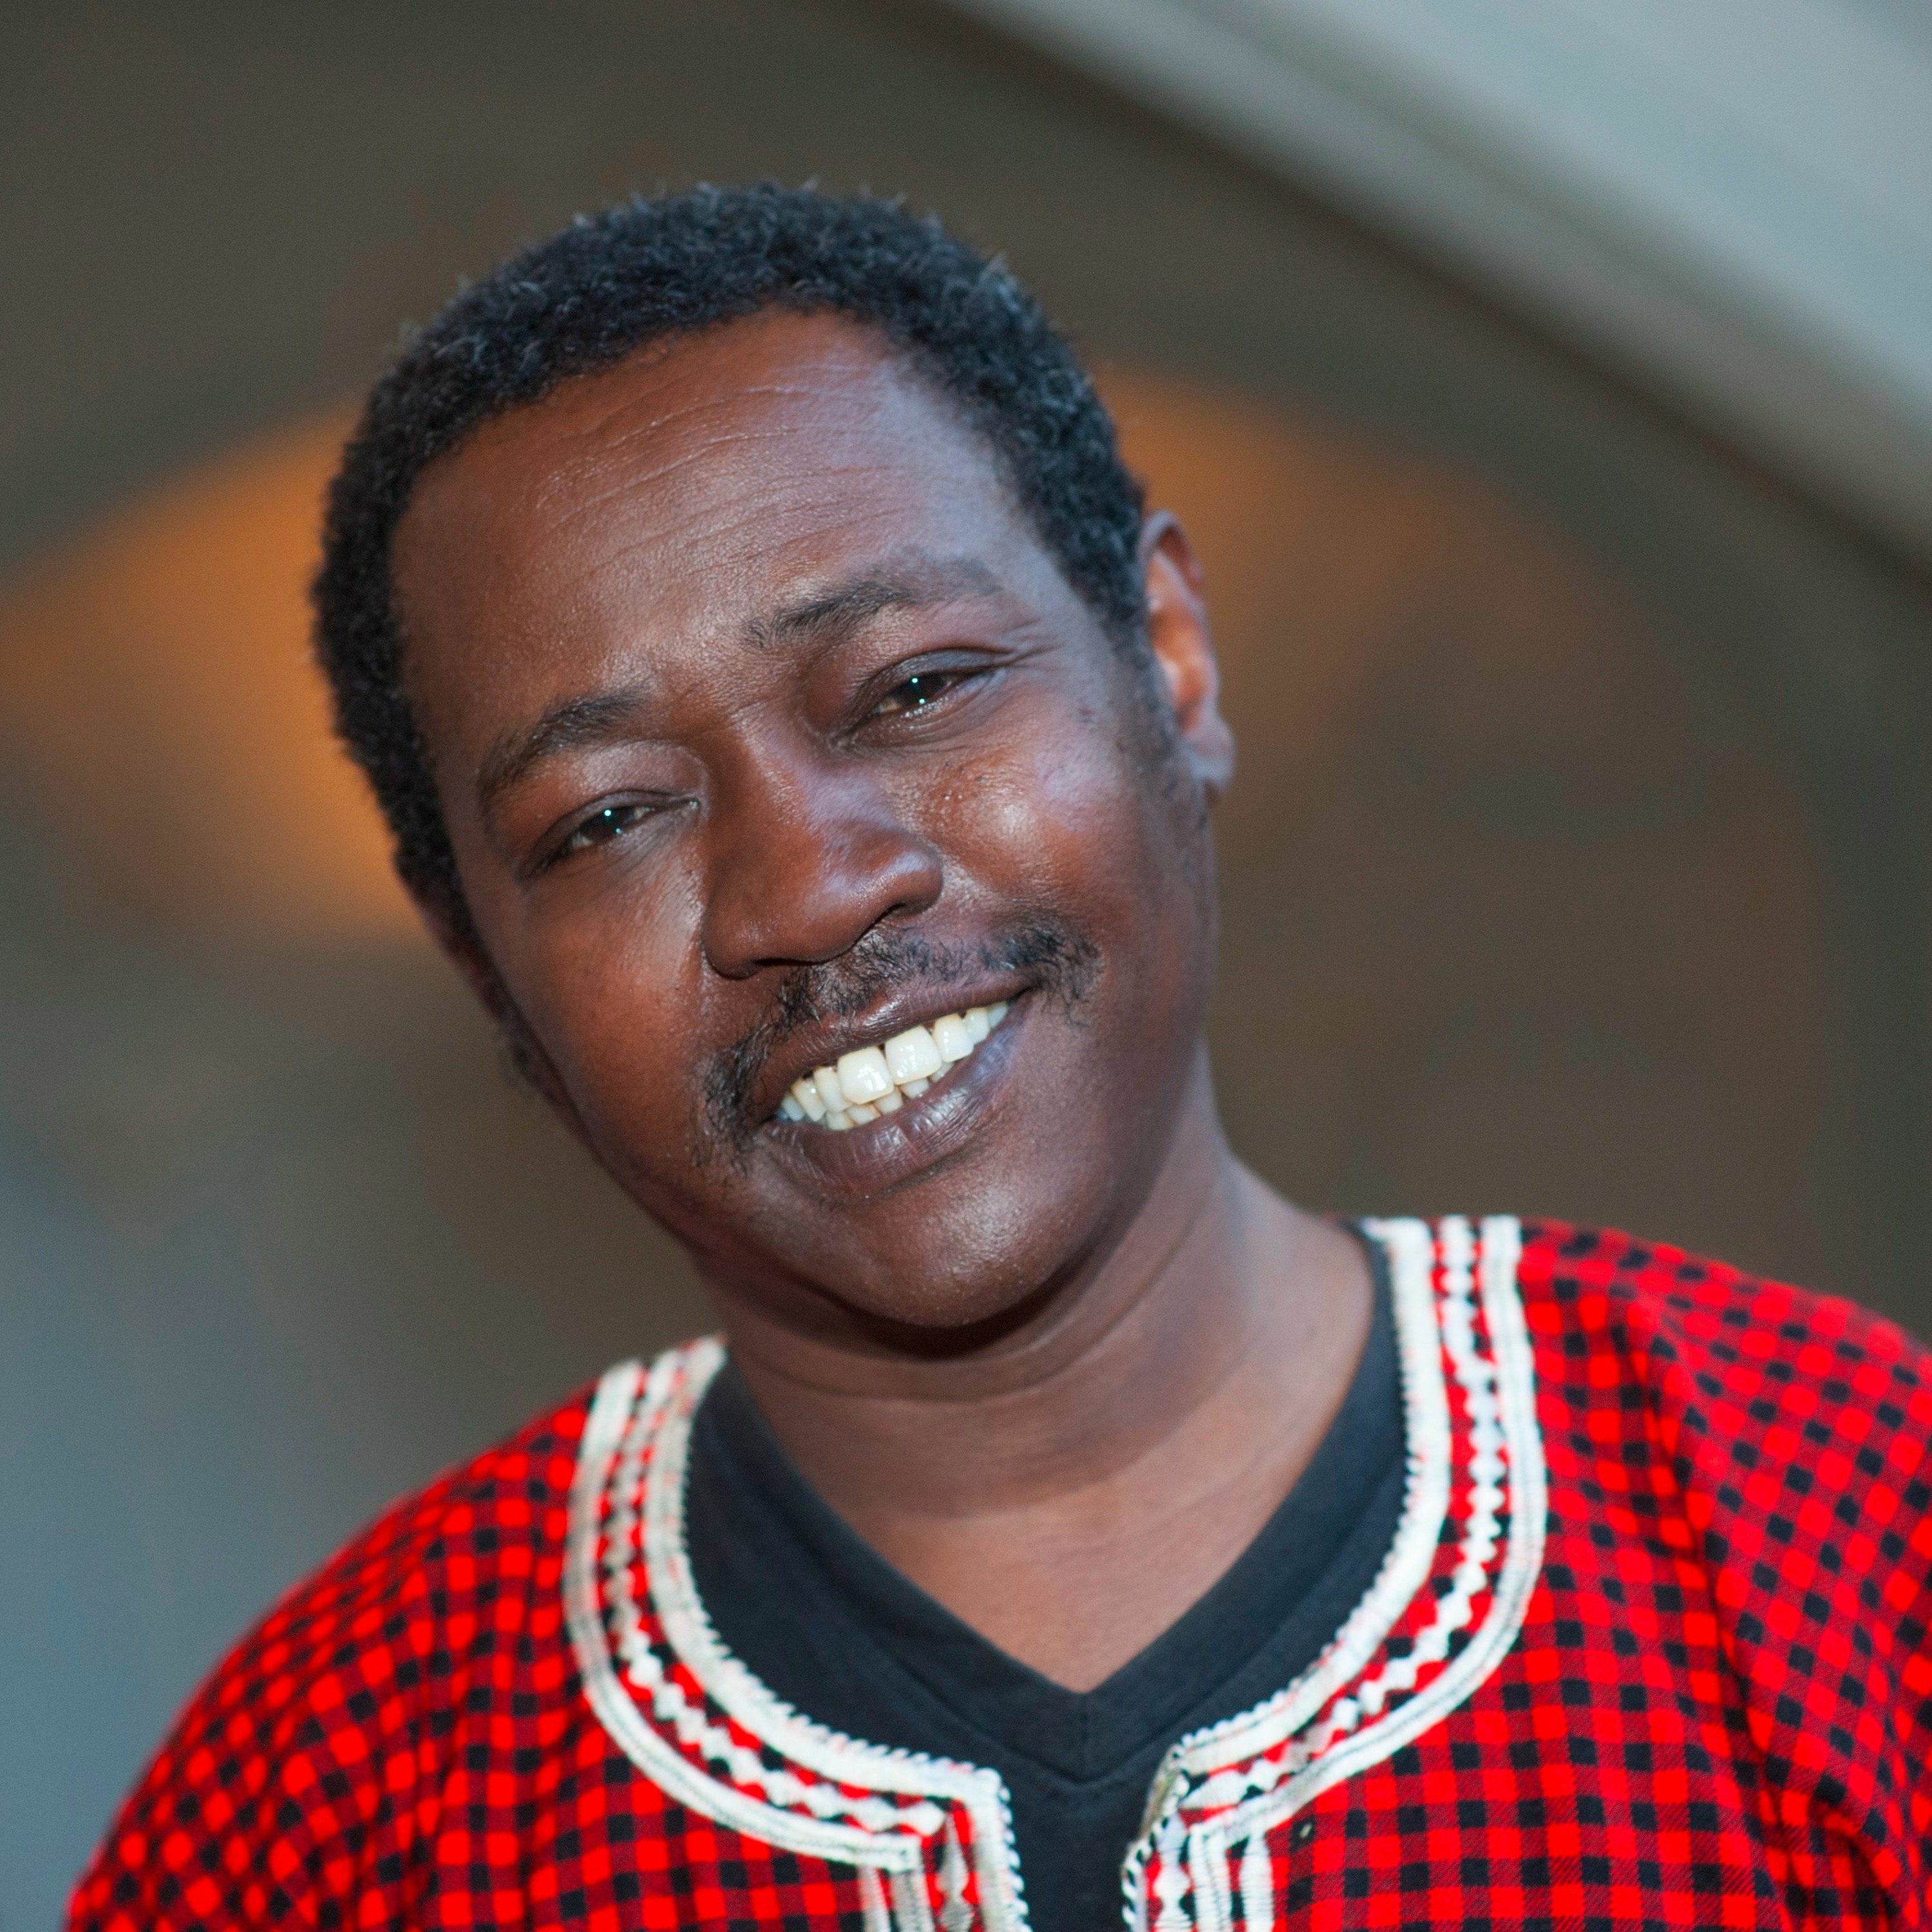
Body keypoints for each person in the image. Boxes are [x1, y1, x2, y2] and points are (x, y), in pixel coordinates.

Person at [70, 185, 1932, 1931]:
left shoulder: (1842, 1533)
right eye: (609, 818)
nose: (808, 888)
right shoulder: (329, 1797)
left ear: (1170, 661)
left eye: (915, 689)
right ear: (486, 967)